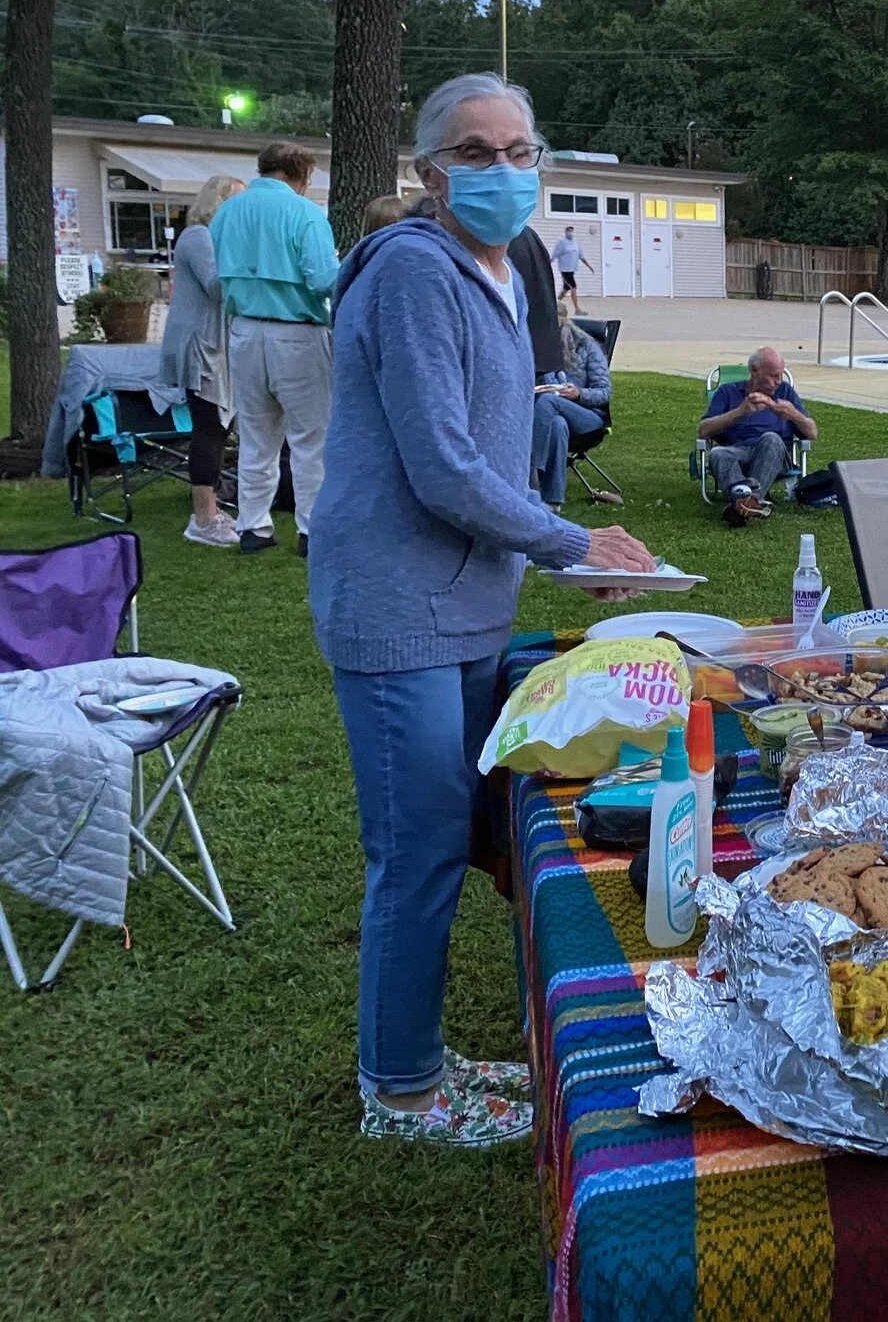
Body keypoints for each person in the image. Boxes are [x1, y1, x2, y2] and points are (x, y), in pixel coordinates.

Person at [309, 72, 656, 1146]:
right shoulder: (415, 271)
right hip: (397, 606)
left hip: (466, 606)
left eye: (518, 148)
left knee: (455, 830)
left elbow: (498, 449)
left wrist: (562, 554)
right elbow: (444, 466)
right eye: (474, 150)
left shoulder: (498, 268)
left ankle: (416, 1056)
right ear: (430, 171)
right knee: (414, 849)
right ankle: (401, 1089)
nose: (502, 169)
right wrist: (569, 540)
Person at [210, 140, 338, 557]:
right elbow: (323, 280)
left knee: (256, 437)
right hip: (297, 332)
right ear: (301, 175)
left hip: (244, 329)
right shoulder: (304, 213)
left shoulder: (227, 212)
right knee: (309, 438)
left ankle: (254, 527)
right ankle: (311, 530)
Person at [159, 174, 245, 548]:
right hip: (201, 346)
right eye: (237, 201)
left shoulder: (219, 239)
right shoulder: (197, 236)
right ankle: (203, 518)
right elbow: (216, 285)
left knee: (220, 429)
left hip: (220, 346)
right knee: (209, 427)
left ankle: (213, 508)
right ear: (218, 201)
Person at [697, 345, 815, 526]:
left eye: (781, 375)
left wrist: (793, 414)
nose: (778, 381)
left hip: (774, 455)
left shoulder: (785, 393)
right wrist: (739, 412)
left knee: (770, 438)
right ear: (754, 371)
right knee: (717, 454)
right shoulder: (727, 392)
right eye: (773, 376)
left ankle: (743, 499)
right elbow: (703, 431)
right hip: (737, 451)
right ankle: (747, 501)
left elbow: (812, 432)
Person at [531, 296, 612, 509]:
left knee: (549, 402)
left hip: (588, 415)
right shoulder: (538, 347)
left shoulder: (587, 346)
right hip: (549, 416)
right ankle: (552, 502)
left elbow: (604, 393)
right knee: (558, 424)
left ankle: (531, 475)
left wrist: (578, 394)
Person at [553, 224, 592, 313]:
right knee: (573, 287)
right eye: (568, 230)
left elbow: (581, 256)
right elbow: (555, 254)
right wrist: (549, 262)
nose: (570, 232)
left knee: (566, 288)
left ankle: (555, 303)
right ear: (565, 231)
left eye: (571, 230)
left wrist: (589, 266)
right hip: (564, 270)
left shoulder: (576, 243)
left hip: (572, 269)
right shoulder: (561, 242)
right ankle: (577, 309)